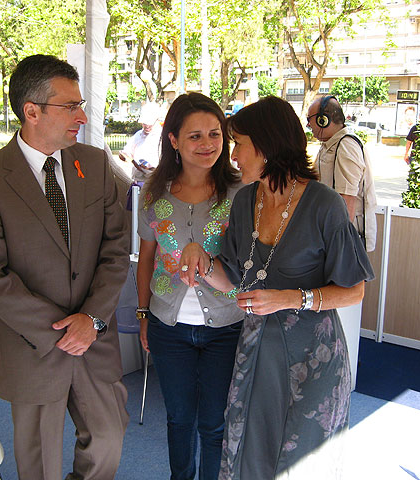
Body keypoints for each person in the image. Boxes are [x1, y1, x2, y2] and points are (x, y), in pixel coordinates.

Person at [179, 96, 375, 479]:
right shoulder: (245, 201)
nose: (233, 155)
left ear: (266, 147)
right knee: (250, 456)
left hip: (313, 360)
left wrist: (291, 298)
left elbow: (354, 292)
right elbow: (233, 277)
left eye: (240, 144)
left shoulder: (324, 204)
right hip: (255, 355)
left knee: (302, 463)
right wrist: (201, 261)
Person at [0, 54, 130, 480]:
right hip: (32, 344)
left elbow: (115, 249)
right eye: (70, 106)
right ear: (31, 111)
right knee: (40, 464)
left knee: (108, 440)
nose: (82, 116)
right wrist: (61, 328)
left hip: (93, 339)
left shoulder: (93, 163)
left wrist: (90, 319)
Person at [136, 93, 244, 480]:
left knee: (215, 422)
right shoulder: (152, 194)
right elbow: (146, 260)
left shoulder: (241, 194)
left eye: (215, 134)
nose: (208, 144)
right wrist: (144, 314)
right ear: (173, 140)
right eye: (195, 136)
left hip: (227, 326)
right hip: (169, 326)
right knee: (179, 419)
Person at [307, 95, 378, 251]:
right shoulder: (330, 144)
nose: (308, 124)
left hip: (344, 238)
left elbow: (347, 201)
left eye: (310, 119)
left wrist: (337, 248)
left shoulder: (346, 146)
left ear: (322, 120)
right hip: (330, 233)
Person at [119, 103, 162, 181]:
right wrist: (124, 156)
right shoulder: (138, 135)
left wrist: (152, 168)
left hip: (156, 181)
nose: (147, 126)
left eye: (150, 124)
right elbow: (127, 152)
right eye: (144, 123)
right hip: (138, 180)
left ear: (157, 120)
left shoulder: (163, 137)